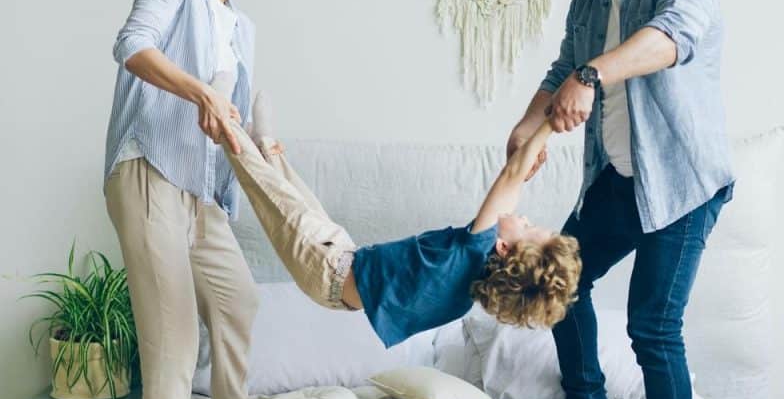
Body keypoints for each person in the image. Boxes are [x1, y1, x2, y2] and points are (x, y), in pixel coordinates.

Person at [505, 0, 735, 399]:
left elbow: (668, 40)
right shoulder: (587, 4)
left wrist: (590, 77)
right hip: (617, 180)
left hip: (683, 185)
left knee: (652, 326)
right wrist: (525, 128)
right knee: (556, 282)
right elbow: (562, 69)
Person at [103, 0, 297, 399]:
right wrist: (202, 92)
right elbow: (132, 46)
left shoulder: (243, 28)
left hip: (200, 188)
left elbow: (225, 114)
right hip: (149, 169)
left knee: (238, 300)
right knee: (174, 331)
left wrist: (261, 145)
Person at [216, 107, 581, 349]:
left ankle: (222, 122)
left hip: (330, 269)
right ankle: (265, 145)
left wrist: (550, 122)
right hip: (343, 265)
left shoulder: (472, 249)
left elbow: (511, 176)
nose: (523, 215)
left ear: (503, 248)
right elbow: (515, 185)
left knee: (275, 199)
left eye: (528, 225)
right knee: (296, 199)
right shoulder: (469, 287)